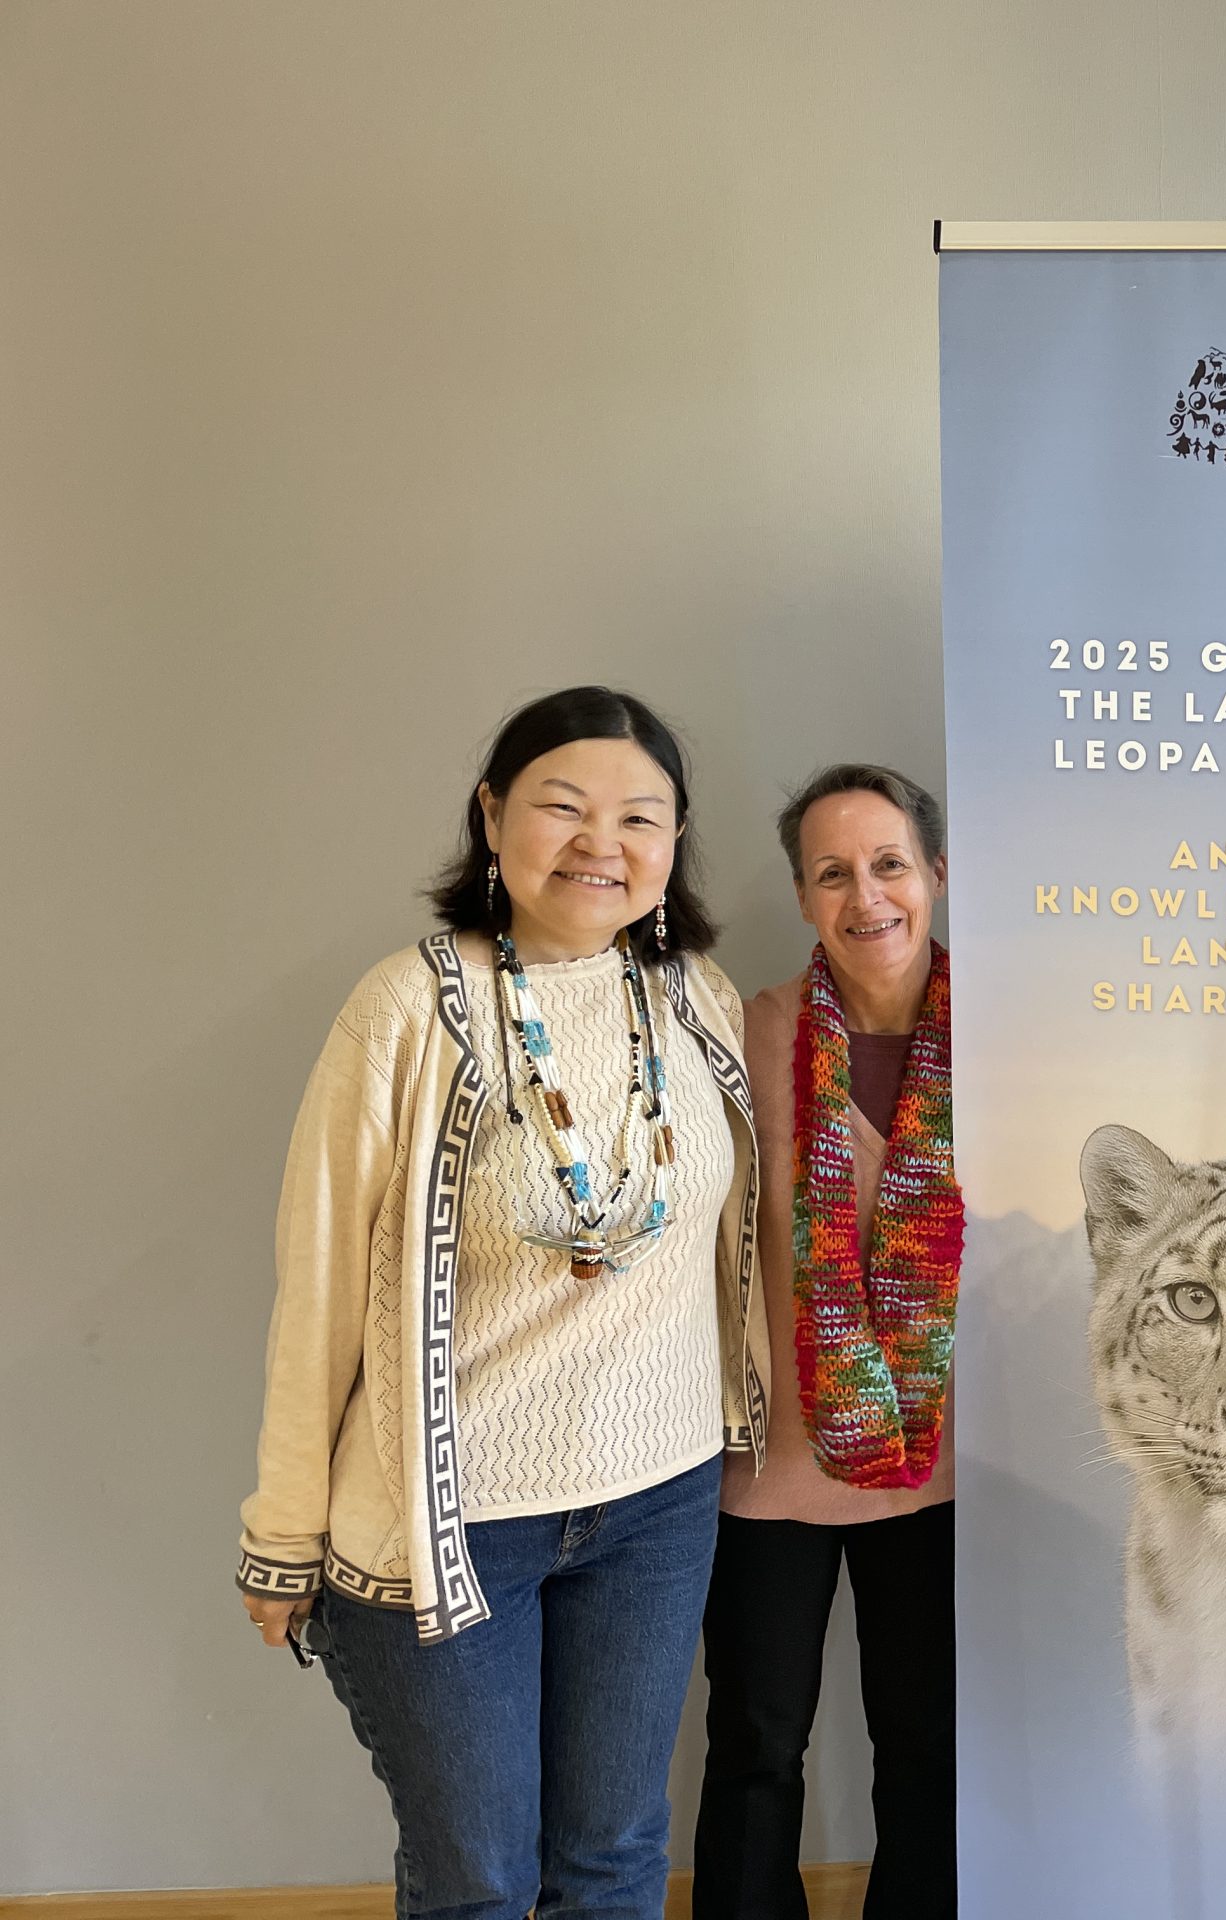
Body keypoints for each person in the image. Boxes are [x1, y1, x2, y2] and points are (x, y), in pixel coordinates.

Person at [236, 686, 764, 1920]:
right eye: (562, 807)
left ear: (675, 842)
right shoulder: (408, 1009)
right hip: (450, 1516)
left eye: (643, 817)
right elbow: (316, 1282)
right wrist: (283, 1528)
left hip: (657, 1500)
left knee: (619, 1858)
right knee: (479, 1881)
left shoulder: (698, 998)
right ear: (491, 815)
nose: (603, 843)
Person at [692, 764, 961, 1920]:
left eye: (890, 864)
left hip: (946, 1467)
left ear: (935, 876)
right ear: (803, 896)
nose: (868, 897)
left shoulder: (1012, 1043)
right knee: (755, 1746)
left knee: (931, 1749)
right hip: (770, 1468)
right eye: (833, 872)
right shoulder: (742, 1033)